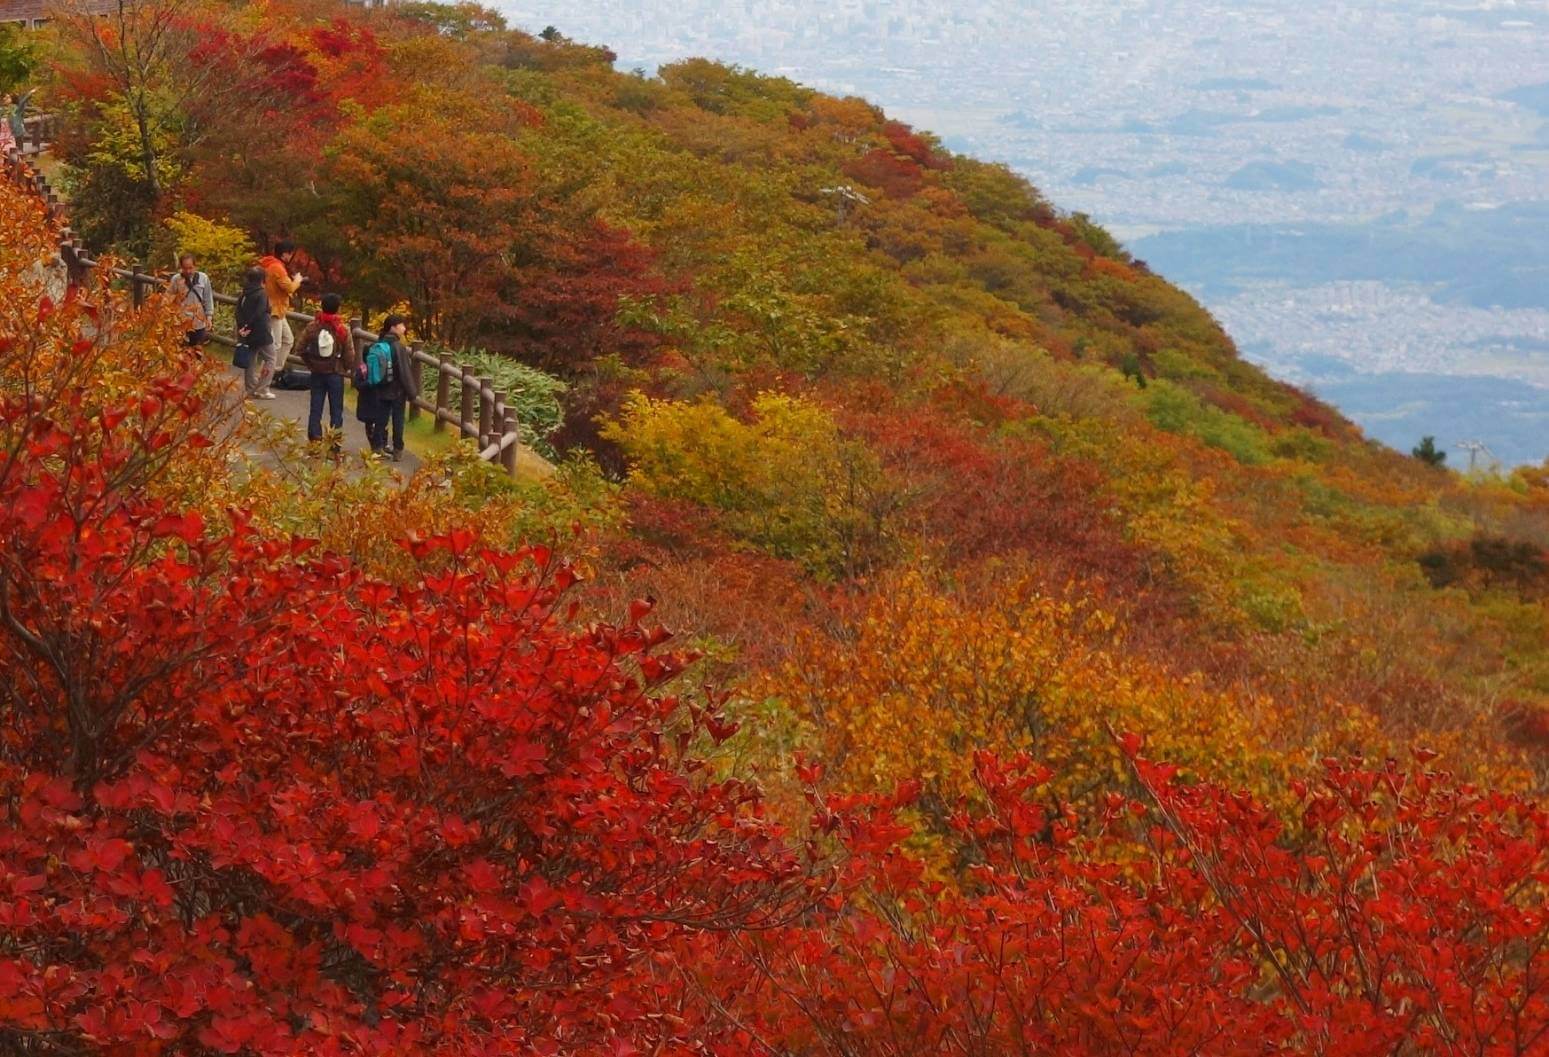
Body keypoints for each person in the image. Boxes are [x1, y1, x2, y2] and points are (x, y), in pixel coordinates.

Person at [356, 314, 418, 459]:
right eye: (401, 325)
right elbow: (404, 372)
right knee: (398, 419)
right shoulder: (398, 347)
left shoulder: (379, 344)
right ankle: (397, 449)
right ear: (393, 327)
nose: (404, 328)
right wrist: (412, 393)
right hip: (397, 390)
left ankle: (377, 447)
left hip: (381, 387)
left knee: (381, 418)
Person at [296, 292, 354, 450]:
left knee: (316, 408)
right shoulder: (342, 329)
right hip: (335, 372)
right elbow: (349, 354)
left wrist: (310, 363)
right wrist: (345, 368)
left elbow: (300, 348)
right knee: (336, 410)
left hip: (317, 372)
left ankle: (314, 440)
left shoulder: (313, 326)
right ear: (338, 309)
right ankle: (334, 444)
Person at [257, 240, 305, 397]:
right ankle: (263, 384)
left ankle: (273, 372)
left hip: (278, 309)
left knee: (288, 340)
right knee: (274, 347)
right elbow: (289, 287)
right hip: (274, 310)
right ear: (284, 253)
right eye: (290, 253)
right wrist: (298, 279)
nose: (290, 256)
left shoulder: (270, 264)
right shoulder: (277, 267)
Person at [235, 267, 276, 399]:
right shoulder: (261, 294)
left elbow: (238, 311)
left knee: (251, 358)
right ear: (262, 280)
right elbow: (260, 312)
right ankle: (263, 388)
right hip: (261, 331)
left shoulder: (244, 293)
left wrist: (243, 326)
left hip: (247, 332)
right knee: (270, 357)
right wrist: (250, 325)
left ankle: (250, 388)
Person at [167, 253, 214, 348]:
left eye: (190, 268)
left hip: (199, 323)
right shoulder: (176, 279)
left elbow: (208, 298)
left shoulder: (203, 278)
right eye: (185, 268)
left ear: (195, 266)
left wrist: (209, 316)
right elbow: (168, 298)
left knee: (197, 353)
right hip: (181, 322)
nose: (188, 271)